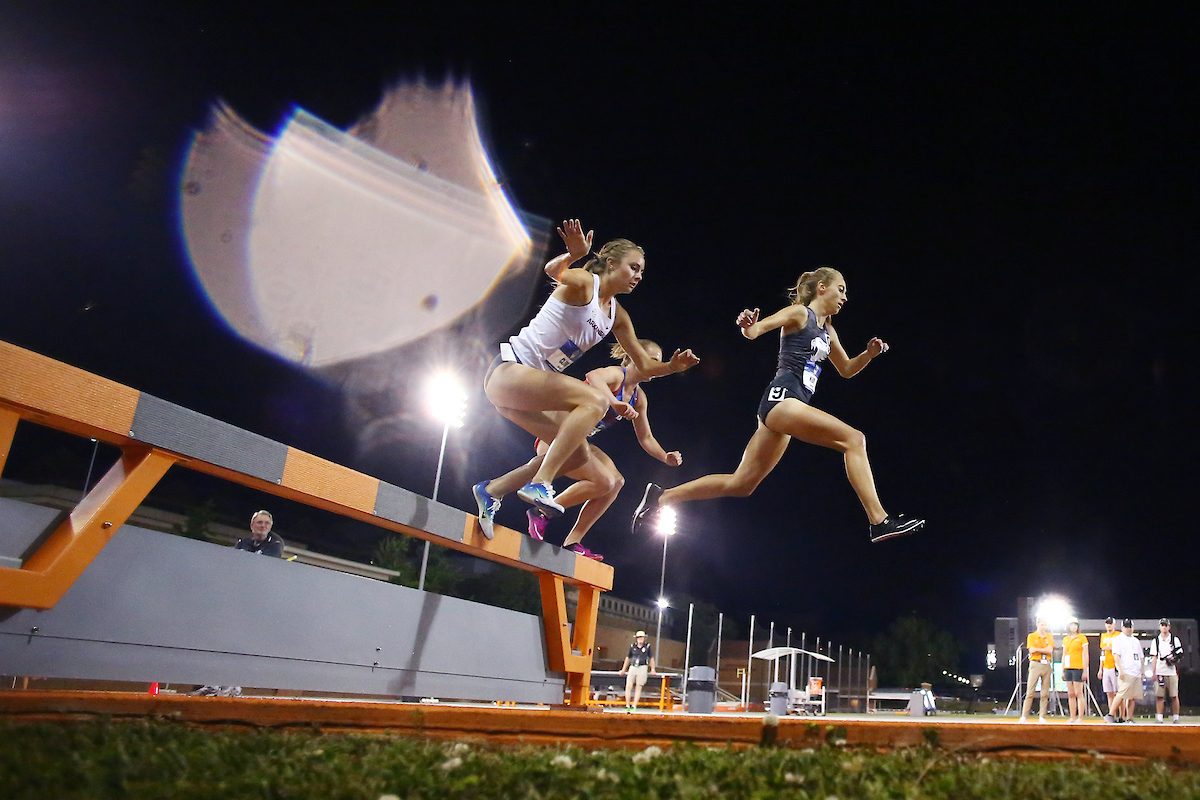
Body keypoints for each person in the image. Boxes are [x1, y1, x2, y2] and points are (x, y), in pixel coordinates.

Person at [632, 266, 922, 542]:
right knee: (854, 439)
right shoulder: (800, 314)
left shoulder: (828, 330)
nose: (845, 297)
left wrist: (869, 354)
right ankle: (878, 520)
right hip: (783, 398)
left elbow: (846, 369)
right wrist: (748, 325)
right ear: (822, 288)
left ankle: (661, 497)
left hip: (784, 409)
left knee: (741, 484)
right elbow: (756, 331)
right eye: (841, 289)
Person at [472, 219, 698, 539]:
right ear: (610, 263)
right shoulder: (586, 285)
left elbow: (645, 367)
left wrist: (672, 367)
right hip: (508, 372)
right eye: (633, 267)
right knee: (594, 398)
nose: (638, 276)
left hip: (528, 395)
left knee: (578, 455)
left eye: (642, 272)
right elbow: (554, 271)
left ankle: (492, 490)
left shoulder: (616, 315)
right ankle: (541, 484)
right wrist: (571, 254)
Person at [523, 340, 684, 560]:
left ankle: (572, 542)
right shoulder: (618, 375)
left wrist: (665, 456)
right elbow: (593, 376)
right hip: (555, 439)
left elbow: (646, 437)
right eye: (652, 360)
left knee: (616, 482)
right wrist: (613, 403)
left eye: (659, 362)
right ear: (633, 356)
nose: (657, 366)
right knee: (604, 482)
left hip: (579, 443)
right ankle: (541, 512)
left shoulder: (639, 398)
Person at [194, 510, 284, 697]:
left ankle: (232, 686)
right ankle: (212, 684)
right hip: (234, 600)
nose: (263, 526)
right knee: (220, 640)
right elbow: (232, 565)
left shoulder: (274, 545)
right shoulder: (242, 543)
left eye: (266, 523)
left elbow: (262, 569)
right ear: (252, 525)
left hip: (254, 604)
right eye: (259, 523)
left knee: (240, 644)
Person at [1107, 618, 1143, 723]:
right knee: (1121, 693)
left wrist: (1142, 670)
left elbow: (1141, 656)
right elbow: (1116, 656)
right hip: (1126, 671)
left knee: (1132, 696)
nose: (1128, 629)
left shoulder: (1136, 640)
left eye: (1130, 627)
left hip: (1136, 671)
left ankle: (1129, 718)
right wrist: (1120, 670)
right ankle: (1111, 714)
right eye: (1126, 627)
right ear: (1122, 627)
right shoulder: (1118, 639)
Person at [1019, 617, 1054, 722]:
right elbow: (1031, 650)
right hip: (1035, 663)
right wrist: (1043, 650)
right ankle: (1024, 715)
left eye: (1045, 625)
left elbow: (1050, 650)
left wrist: (1039, 650)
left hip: (1046, 664)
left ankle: (1042, 716)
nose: (1044, 627)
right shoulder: (1032, 636)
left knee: (1045, 693)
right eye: (1042, 625)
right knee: (1030, 691)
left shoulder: (1049, 636)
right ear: (1037, 624)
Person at [1150, 617, 1183, 723]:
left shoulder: (1174, 639)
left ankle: (1176, 717)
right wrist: (1153, 672)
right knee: (1160, 696)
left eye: (1166, 625)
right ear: (1159, 627)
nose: (1164, 627)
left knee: (1174, 695)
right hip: (1160, 671)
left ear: (1169, 627)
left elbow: (1180, 654)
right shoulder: (1156, 641)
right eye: (1162, 625)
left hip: (1172, 671)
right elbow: (1154, 657)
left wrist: (1173, 660)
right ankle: (1159, 717)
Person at [618, 630, 656, 710]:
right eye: (639, 637)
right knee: (628, 686)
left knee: (639, 687)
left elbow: (651, 658)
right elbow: (628, 658)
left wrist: (652, 669)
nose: (640, 639)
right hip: (633, 666)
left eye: (642, 637)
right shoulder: (632, 647)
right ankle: (627, 705)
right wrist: (623, 669)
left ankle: (634, 705)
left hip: (642, 667)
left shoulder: (647, 647)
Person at [1061, 619, 1089, 722]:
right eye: (1071, 625)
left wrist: (1085, 670)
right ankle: (1072, 717)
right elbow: (1064, 655)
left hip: (1078, 667)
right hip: (1068, 667)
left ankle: (1080, 717)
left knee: (1078, 693)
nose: (1073, 627)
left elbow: (1086, 655)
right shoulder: (1066, 639)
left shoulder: (1082, 638)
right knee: (1071, 693)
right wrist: (1063, 670)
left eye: (1075, 625)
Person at [1098, 616, 1120, 716]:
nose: (1109, 625)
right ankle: (1112, 714)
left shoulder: (1118, 635)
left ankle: (1121, 715)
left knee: (1118, 693)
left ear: (1114, 625)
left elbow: (1118, 649)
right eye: (1107, 623)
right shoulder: (1103, 636)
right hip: (1106, 666)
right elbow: (1102, 652)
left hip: (1115, 667)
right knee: (1109, 693)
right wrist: (1100, 669)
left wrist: (1110, 648)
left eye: (1111, 623)